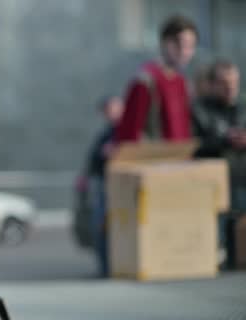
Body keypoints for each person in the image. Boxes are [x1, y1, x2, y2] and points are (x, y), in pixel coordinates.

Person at [192, 59, 245, 267]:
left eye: (234, 82)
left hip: (241, 180)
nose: (230, 88)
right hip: (211, 187)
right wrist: (224, 141)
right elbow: (192, 144)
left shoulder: (243, 107)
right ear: (212, 84)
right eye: (224, 83)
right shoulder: (199, 109)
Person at [116, 15, 198, 142]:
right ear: (164, 43)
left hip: (180, 158)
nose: (184, 51)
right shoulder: (145, 82)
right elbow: (130, 134)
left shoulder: (183, 83)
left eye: (190, 46)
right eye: (178, 44)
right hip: (154, 158)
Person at [78, 96, 123, 277]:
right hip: (106, 185)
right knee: (101, 227)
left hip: (119, 186)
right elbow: (93, 161)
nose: (111, 114)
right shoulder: (105, 135)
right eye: (107, 111)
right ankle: (106, 268)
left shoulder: (126, 131)